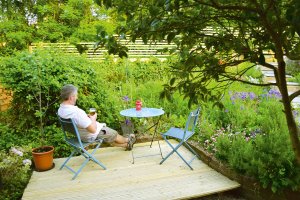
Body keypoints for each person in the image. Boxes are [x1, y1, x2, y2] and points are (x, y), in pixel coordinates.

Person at [58, 84, 136, 150]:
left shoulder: (61, 110)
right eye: (76, 96)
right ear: (71, 97)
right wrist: (93, 119)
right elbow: (93, 130)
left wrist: (86, 118)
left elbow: (78, 121)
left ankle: (126, 145)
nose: (77, 98)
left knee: (107, 136)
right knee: (112, 134)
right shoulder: (77, 112)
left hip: (79, 135)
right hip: (89, 136)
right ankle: (128, 140)